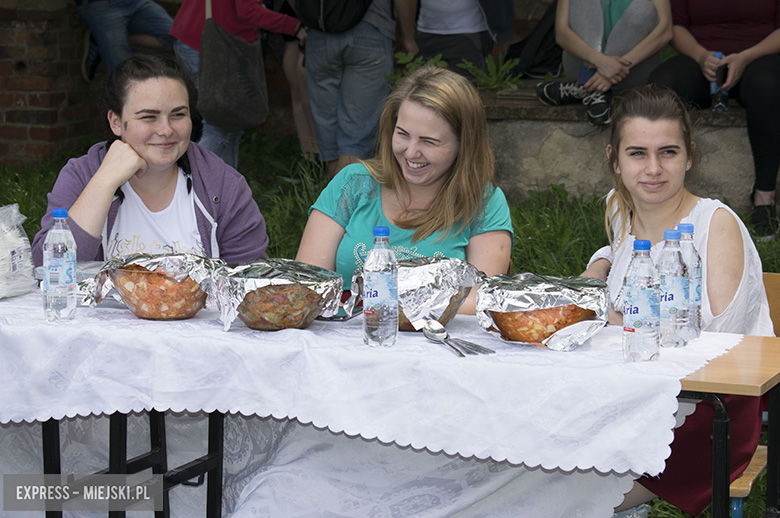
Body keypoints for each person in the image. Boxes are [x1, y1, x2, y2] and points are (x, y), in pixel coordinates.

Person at [581, 84, 774, 516]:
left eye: (668, 152)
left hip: (708, 410)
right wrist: (597, 268)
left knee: (564, 497)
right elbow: (622, 248)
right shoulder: (620, 206)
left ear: (689, 155)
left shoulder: (715, 223)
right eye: (637, 154)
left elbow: (715, 344)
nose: (653, 169)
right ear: (613, 158)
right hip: (627, 391)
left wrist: (608, 317)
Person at [296, 65, 513, 314]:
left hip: (435, 345)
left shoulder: (484, 202)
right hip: (344, 339)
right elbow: (308, 283)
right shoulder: (353, 182)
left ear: (464, 145)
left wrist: (386, 307)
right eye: (403, 134)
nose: (411, 152)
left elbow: (481, 302)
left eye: (429, 142)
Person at [31, 53, 269, 266]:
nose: (166, 130)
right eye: (148, 117)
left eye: (178, 114)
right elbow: (47, 268)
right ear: (116, 122)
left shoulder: (222, 185)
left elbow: (251, 278)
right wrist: (103, 182)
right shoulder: (82, 175)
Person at [647, 1, 780, 240]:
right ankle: (664, 194)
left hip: (759, 59)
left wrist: (746, 57)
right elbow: (676, 26)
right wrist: (701, 56)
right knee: (663, 84)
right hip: (702, 61)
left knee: (769, 86)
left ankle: (764, 198)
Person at [170, 0, 306, 169]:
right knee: (218, 125)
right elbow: (248, 11)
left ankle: (227, 189)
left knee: (231, 124)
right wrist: (295, 26)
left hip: (201, 36)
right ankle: (186, 182)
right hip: (210, 44)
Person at [304, 0, 417, 178]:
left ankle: (333, 200)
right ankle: (349, 204)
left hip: (319, 36)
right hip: (370, 29)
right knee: (356, 139)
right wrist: (408, 37)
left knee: (329, 140)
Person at [536, 0, 672, 126]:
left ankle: (587, 90)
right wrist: (600, 61)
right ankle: (597, 91)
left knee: (643, 8)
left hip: (631, 71)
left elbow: (664, 32)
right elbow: (562, 33)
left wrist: (617, 67)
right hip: (582, 65)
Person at [266, 0, 319, 158]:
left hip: (301, 22)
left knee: (302, 96)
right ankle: (314, 157)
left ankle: (312, 158)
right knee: (304, 95)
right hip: (306, 22)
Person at [75, 0, 176, 81]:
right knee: (123, 74)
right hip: (102, 6)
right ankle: (105, 40)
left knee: (179, 38)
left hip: (136, 2)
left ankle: (102, 40)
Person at [413, 0, 516, 75]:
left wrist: (501, 33)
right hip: (426, 31)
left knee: (466, 93)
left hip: (469, 32)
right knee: (425, 91)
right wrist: (408, 37)